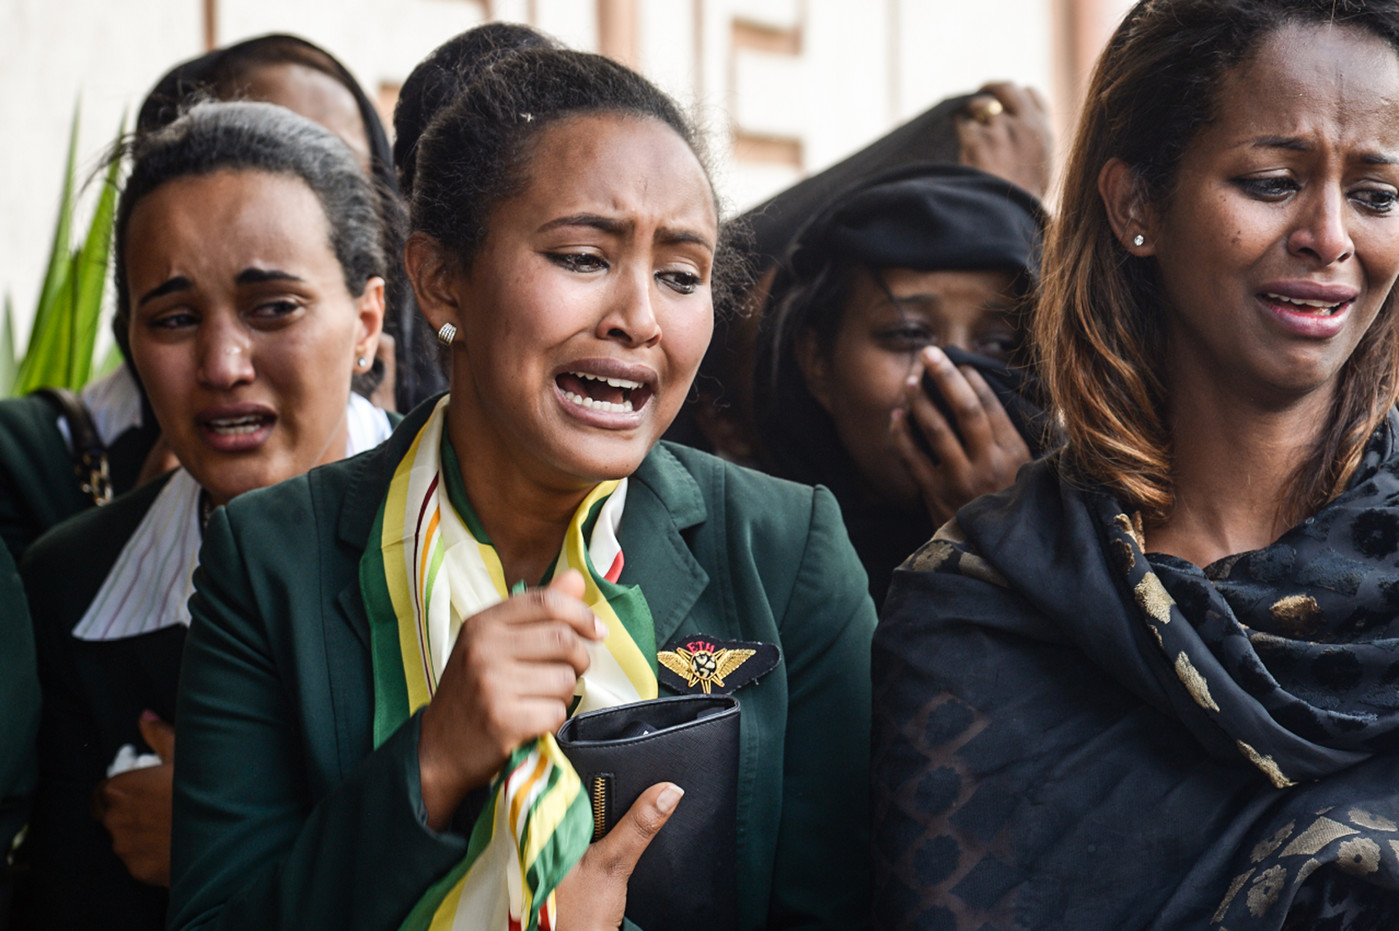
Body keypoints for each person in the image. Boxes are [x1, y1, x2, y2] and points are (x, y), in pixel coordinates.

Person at [168, 47, 874, 931]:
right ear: (440, 279)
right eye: (581, 256)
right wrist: (432, 759)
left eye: (680, 275)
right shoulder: (271, 557)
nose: (639, 319)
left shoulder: (784, 549)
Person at [871, 1, 1399, 928]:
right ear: (1135, 205)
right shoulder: (980, 610)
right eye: (1271, 182)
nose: (1329, 236)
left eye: (1376, 195)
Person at [17, 101, 393, 930]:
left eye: (274, 307)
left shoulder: (482, 534)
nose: (223, 365)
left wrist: (220, 831)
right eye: (175, 319)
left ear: (366, 322)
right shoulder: (71, 584)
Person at [753, 163, 1047, 606]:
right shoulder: (756, 568)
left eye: (1000, 343)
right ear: (817, 362)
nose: (951, 377)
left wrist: (1011, 540)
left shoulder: (1118, 546)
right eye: (908, 334)